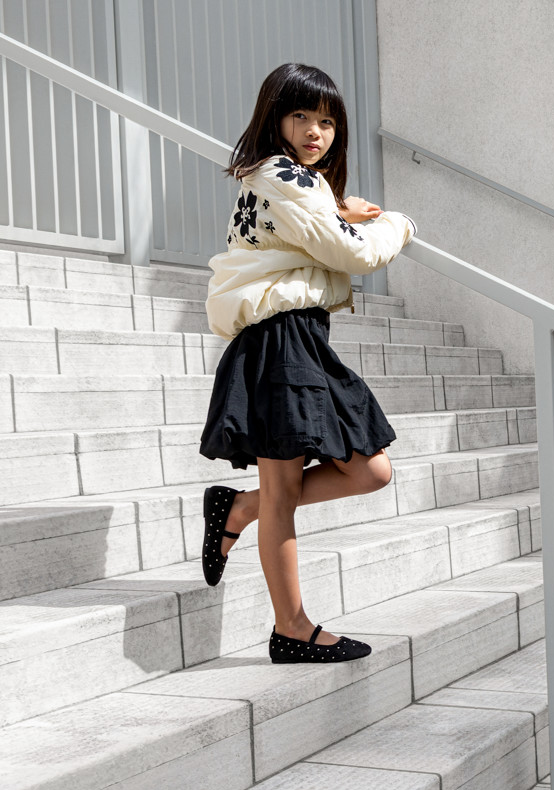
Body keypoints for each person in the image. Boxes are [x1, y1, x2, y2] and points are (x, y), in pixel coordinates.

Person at [199, 63, 416, 664]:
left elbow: (312, 233)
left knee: (370, 470)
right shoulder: (281, 175)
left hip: (300, 336)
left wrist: (340, 208)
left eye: (327, 121)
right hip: (278, 338)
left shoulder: (298, 182)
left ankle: (239, 509)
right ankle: (290, 627)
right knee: (285, 490)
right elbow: (351, 253)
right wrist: (398, 224)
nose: (316, 131)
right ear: (276, 117)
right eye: (302, 117)